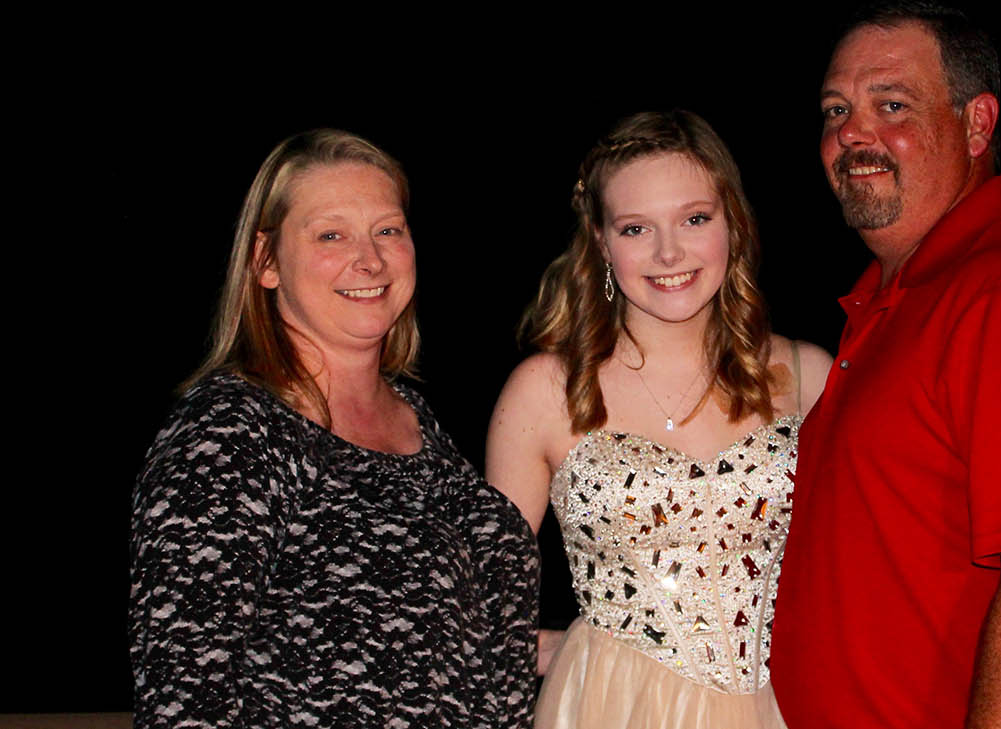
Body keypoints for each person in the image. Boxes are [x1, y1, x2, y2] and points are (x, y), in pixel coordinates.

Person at [769, 4, 1001, 729]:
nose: (852, 130)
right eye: (836, 109)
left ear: (977, 125)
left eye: (892, 104)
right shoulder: (886, 308)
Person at [129, 129, 539, 729]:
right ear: (265, 263)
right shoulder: (227, 435)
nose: (369, 259)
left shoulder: (417, 420)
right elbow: (185, 700)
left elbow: (452, 644)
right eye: (331, 234)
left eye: (388, 230)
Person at [487, 110, 831, 729]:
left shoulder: (811, 377)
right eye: (636, 228)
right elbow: (484, 603)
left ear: (733, 222)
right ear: (599, 241)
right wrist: (571, 651)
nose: (669, 251)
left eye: (695, 219)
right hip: (608, 709)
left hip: (788, 704)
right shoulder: (544, 391)